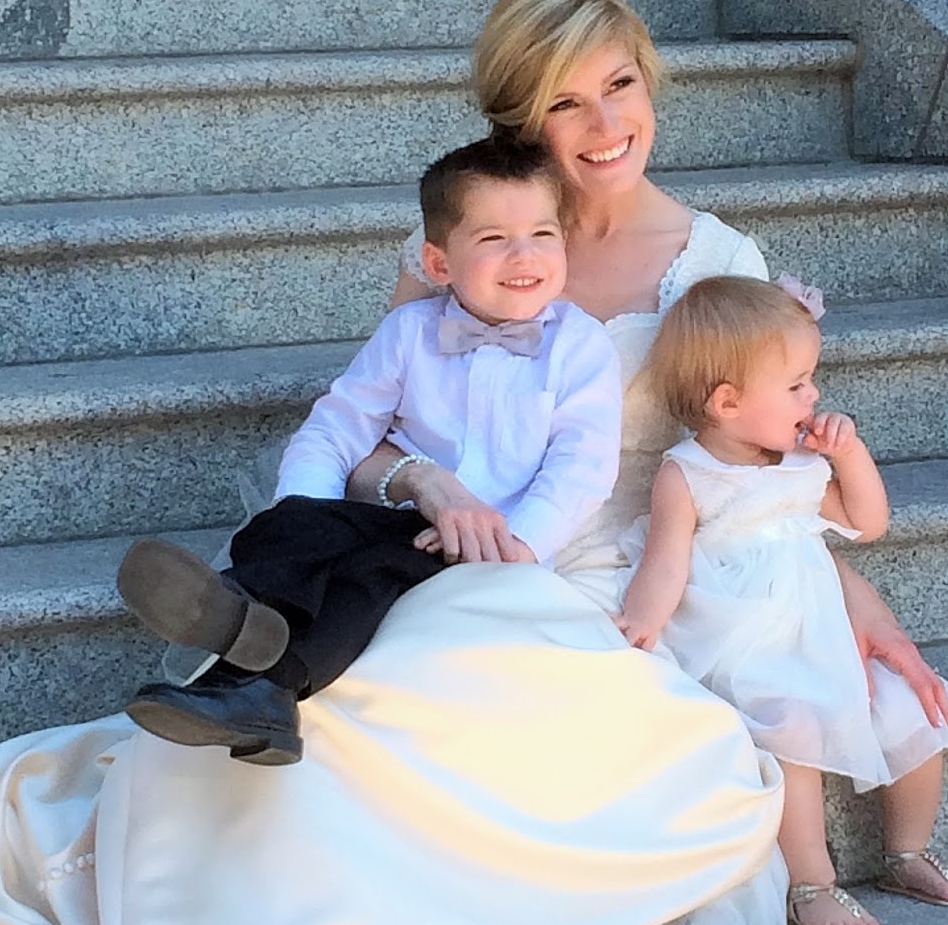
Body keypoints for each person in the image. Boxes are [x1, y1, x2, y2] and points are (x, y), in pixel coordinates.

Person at [0, 0, 948, 925]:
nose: (605, 124)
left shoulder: (717, 265)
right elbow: (369, 425)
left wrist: (849, 594)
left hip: (605, 574)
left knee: (448, 705)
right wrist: (428, 484)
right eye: (566, 102)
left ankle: (299, 909)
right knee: (343, 690)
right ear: (521, 117)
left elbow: (752, 469)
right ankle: (239, 760)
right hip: (431, 543)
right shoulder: (466, 233)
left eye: (620, 86)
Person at [115, 136, 621, 767]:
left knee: (368, 579)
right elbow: (338, 426)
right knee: (288, 527)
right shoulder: (408, 332)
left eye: (543, 234)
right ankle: (240, 631)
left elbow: (583, 464)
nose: (524, 255)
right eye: (494, 238)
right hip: (399, 512)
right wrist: (306, 512)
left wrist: (518, 542)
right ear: (439, 262)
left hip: (484, 543)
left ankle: (249, 677)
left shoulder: (580, 346)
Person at [618, 275, 948, 925]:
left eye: (811, 380)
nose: (813, 397)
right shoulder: (686, 473)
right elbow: (665, 563)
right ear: (727, 402)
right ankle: (810, 881)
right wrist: (640, 625)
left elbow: (867, 524)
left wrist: (851, 456)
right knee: (793, 728)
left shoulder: (803, 464)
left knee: (912, 708)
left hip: (819, 632)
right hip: (746, 639)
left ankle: (907, 849)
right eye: (796, 385)